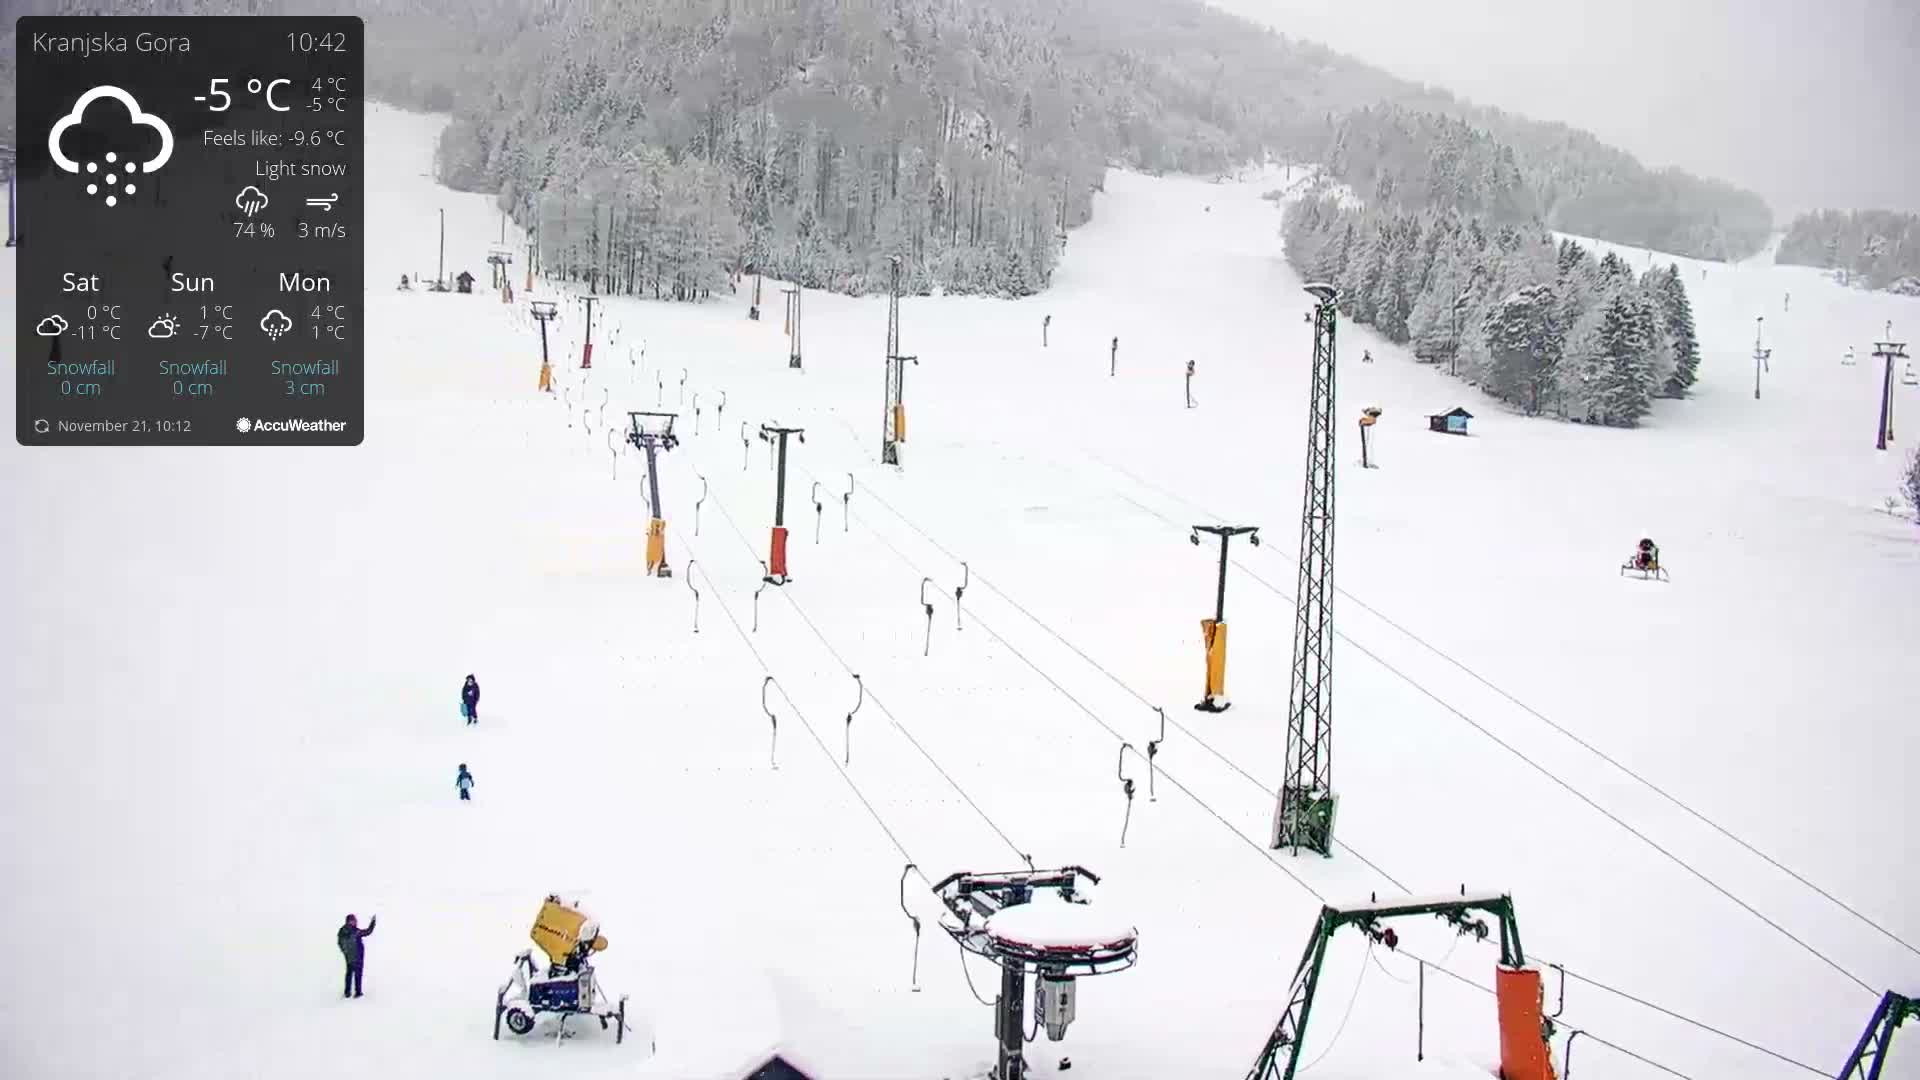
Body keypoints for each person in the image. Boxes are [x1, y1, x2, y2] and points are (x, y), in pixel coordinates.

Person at [337, 914, 376, 998]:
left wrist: (345, 952)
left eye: (355, 920)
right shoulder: (355, 931)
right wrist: (373, 923)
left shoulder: (342, 931)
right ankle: (358, 992)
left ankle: (347, 992)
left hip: (348, 956)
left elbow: (339, 943)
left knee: (349, 973)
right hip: (357, 955)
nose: (355, 922)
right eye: (354, 920)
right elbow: (368, 932)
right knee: (358, 974)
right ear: (349, 921)